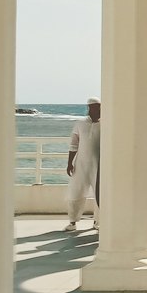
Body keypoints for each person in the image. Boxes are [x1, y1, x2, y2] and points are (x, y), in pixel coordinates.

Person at [65, 97, 101, 229]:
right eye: (96, 107)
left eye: (100, 107)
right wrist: (70, 163)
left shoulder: (105, 124)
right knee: (76, 191)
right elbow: (74, 144)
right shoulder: (80, 124)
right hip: (80, 164)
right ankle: (73, 221)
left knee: (100, 194)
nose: (98, 110)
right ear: (89, 108)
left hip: (99, 165)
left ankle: (98, 222)